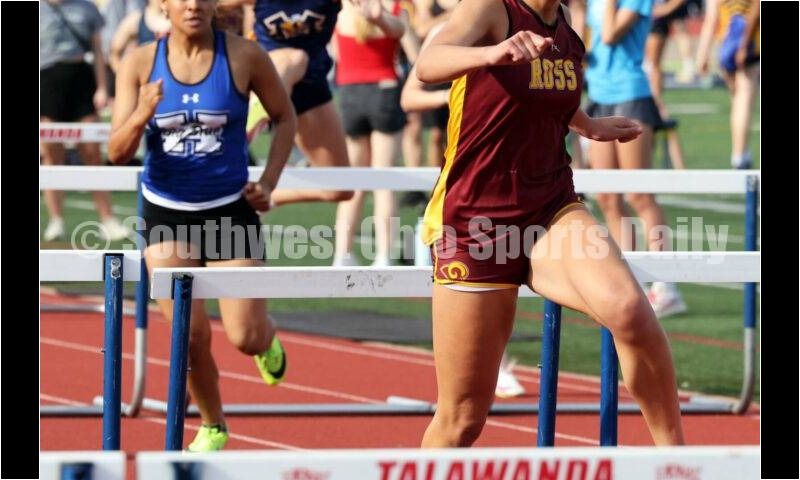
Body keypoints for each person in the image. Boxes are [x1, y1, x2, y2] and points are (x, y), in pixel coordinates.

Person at [415, 0, 685, 447]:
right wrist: (491, 53)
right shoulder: (491, 8)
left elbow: (544, 93)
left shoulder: (565, 26)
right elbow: (428, 63)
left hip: (550, 205)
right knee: (462, 419)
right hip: (473, 221)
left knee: (629, 310)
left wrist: (587, 125)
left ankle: (679, 467)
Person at [108, 0, 297, 451]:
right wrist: (141, 113)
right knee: (188, 337)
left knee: (244, 337)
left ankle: (265, 338)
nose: (192, 5)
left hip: (229, 211)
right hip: (167, 214)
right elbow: (116, 152)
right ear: (163, 7)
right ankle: (213, 423)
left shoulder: (244, 56)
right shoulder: (139, 63)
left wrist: (267, 182)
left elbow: (284, 116)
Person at [401, 22, 526, 399]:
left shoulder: (520, 19)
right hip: (466, 193)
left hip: (521, 184)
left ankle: (492, 367)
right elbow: (410, 96)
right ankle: (484, 371)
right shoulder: (447, 29)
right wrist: (456, 90)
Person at [585, 0, 686, 317]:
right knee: (608, 198)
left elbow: (612, 34)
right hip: (598, 96)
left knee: (640, 194)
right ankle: (632, 283)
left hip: (630, 93)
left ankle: (666, 286)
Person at [224, 0, 354, 207]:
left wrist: (380, 18)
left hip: (311, 85)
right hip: (266, 75)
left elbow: (398, 26)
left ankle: (247, 201)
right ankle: (253, 116)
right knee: (294, 58)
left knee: (340, 189)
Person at [40, 0, 131, 242]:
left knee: (91, 151)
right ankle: (56, 220)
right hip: (47, 82)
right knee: (52, 155)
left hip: (80, 79)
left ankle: (107, 218)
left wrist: (102, 87)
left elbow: (98, 52)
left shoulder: (87, 7)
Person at [331, 0, 408, 266]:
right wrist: (380, 21)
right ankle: (383, 254)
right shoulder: (396, 7)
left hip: (350, 94)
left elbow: (336, 54)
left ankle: (342, 254)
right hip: (384, 91)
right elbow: (404, 38)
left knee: (354, 180)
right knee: (384, 179)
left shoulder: (342, 12)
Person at [695, 0, 759, 170]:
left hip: (726, 46)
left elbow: (710, 20)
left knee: (736, 99)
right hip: (751, 42)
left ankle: (740, 150)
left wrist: (702, 55)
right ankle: (740, 155)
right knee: (743, 99)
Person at [644, 0, 688, 170]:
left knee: (660, 115)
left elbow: (654, 66)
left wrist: (664, 10)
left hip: (654, 25)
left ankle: (681, 170)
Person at [108, 0, 171, 71]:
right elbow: (114, 53)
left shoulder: (178, 20)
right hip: (146, 78)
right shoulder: (136, 19)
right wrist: (125, 77)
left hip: (175, 78)